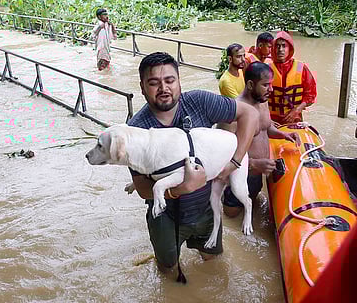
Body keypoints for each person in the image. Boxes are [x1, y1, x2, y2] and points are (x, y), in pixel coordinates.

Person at [127, 52, 258, 275]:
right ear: (142, 87)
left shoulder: (198, 102)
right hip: (166, 216)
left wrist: (234, 162)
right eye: (153, 83)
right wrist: (181, 189)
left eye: (169, 80)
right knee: (168, 269)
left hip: (207, 208)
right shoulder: (136, 131)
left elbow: (250, 114)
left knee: (214, 263)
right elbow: (142, 189)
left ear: (179, 81)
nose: (164, 88)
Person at [219, 62, 301, 218]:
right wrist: (255, 163)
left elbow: (266, 128)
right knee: (231, 216)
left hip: (257, 176)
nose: (271, 89)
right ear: (250, 84)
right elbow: (222, 157)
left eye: (271, 84)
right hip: (238, 179)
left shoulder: (263, 102)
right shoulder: (233, 114)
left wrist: (284, 135)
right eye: (266, 85)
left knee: (252, 209)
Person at [268, 31, 317, 124]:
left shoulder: (302, 68)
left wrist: (297, 110)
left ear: (289, 48)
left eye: (284, 46)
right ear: (273, 48)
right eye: (277, 46)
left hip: (294, 118)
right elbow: (258, 97)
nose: (280, 49)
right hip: (271, 120)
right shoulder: (267, 69)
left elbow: (311, 95)